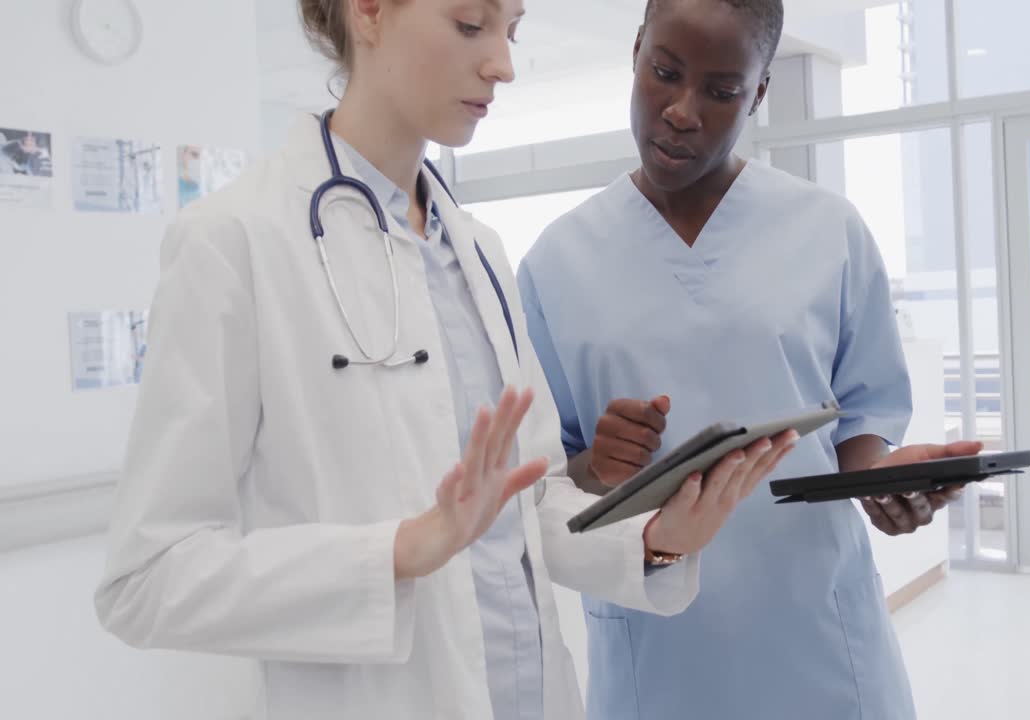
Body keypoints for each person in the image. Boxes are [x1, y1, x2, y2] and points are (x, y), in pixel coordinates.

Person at [93, 2, 797, 719]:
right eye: (470, 25)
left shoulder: (479, 251)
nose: (504, 64)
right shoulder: (235, 243)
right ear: (367, 11)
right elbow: (147, 579)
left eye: (511, 31)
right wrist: (398, 552)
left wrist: (657, 542)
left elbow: (529, 505)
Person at [516, 1, 982, 718]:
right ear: (637, 52)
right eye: (664, 73)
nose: (681, 110)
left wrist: (882, 483)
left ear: (759, 92)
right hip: (658, 652)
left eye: (721, 90)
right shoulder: (556, 261)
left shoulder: (828, 230)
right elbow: (547, 482)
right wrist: (597, 464)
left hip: (817, 638)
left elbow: (860, 419)